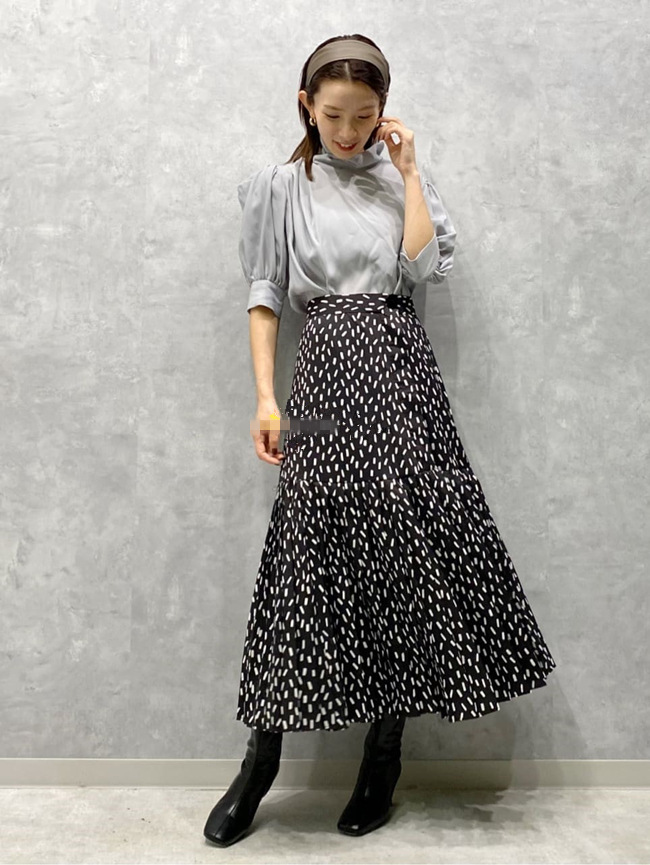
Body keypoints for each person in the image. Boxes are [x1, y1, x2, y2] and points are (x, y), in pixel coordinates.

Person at [204, 34, 557, 847]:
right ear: (306, 106)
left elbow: (426, 268)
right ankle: (260, 762)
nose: (348, 130)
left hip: (401, 380)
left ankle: (383, 757)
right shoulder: (280, 187)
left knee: (401, 550)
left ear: (384, 112)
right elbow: (264, 294)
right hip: (323, 381)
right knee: (304, 558)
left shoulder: (400, 179)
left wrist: (409, 170)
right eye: (333, 115)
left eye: (364, 116)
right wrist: (266, 398)